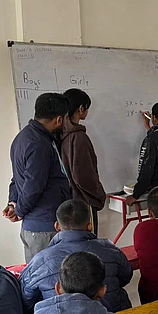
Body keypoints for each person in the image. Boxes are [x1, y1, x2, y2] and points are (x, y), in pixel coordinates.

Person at [20, 199, 133, 313]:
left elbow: (26, 298)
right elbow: (126, 277)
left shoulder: (40, 260)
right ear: (90, 226)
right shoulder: (111, 249)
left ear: (57, 226)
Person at [5, 92, 72, 262]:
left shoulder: (23, 137)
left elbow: (17, 178)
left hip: (35, 226)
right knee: (49, 279)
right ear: (59, 119)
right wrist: (19, 211)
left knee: (39, 277)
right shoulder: (39, 144)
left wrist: (13, 202)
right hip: (44, 227)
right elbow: (33, 187)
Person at [61, 89, 105, 233]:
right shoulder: (79, 137)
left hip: (69, 204)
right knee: (87, 246)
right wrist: (99, 195)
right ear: (81, 108)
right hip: (84, 204)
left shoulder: (61, 134)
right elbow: (83, 176)